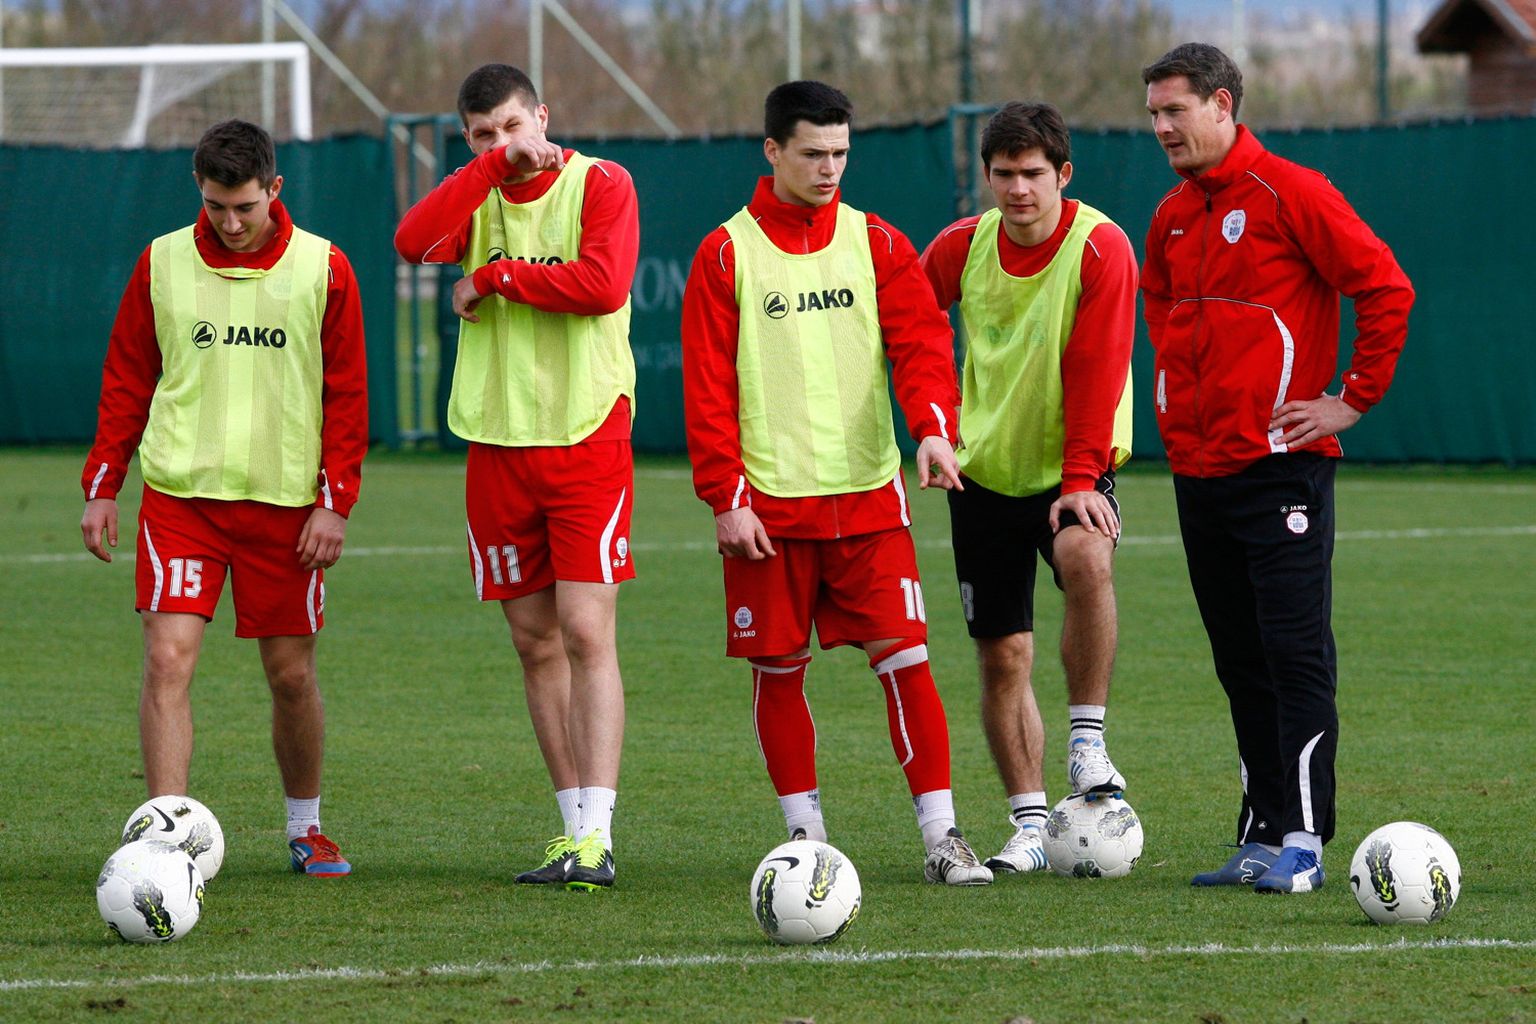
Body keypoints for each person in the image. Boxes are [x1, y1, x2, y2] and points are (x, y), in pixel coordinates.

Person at [681, 80, 992, 886]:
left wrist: (932, 427)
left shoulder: (876, 241)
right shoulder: (726, 252)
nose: (829, 169)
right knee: (778, 670)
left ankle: (944, 837)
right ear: (773, 151)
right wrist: (726, 497)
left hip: (868, 499)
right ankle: (806, 839)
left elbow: (921, 343)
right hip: (768, 509)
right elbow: (707, 386)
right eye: (814, 153)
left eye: (841, 154)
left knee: (907, 659)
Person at [1140, 43, 1414, 893]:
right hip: (1198, 471)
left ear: (1222, 105)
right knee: (1240, 660)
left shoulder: (1292, 191)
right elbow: (1162, 309)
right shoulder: (1172, 214)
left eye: (1175, 110)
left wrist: (1351, 400)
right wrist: (1176, 402)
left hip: (1281, 469)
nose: (1162, 128)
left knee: (1294, 656)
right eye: (1153, 114)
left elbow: (1386, 287)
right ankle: (1261, 833)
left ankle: (1305, 841)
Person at [80, 119, 368, 877]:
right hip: (182, 502)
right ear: (198, 191)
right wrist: (104, 486)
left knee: (291, 676)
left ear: (275, 188)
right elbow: (127, 377)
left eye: (245, 206)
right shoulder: (162, 262)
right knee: (166, 660)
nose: (231, 223)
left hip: (287, 510)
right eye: (215, 206)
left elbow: (347, 394)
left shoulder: (325, 267)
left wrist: (335, 501)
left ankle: (306, 828)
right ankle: (162, 842)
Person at [394, 63, 637, 891]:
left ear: (543, 116)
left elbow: (602, 287)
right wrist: (489, 170)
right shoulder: (477, 192)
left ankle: (599, 836)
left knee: (585, 632)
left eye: (512, 126)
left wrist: (494, 276)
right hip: (497, 439)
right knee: (534, 642)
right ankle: (571, 831)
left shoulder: (602, 183)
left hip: (584, 434)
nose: (502, 143)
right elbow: (411, 242)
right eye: (482, 135)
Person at [918, 101, 1137, 875]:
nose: (1018, 189)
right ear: (987, 176)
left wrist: (1080, 480)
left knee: (1087, 557)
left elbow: (1099, 367)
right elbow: (910, 327)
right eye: (1004, 174)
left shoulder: (1101, 247)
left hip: (1074, 465)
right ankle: (1032, 825)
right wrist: (933, 421)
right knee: (1004, 657)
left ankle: (1087, 741)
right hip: (981, 474)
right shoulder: (960, 245)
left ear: (1063, 174)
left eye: (1034, 174)